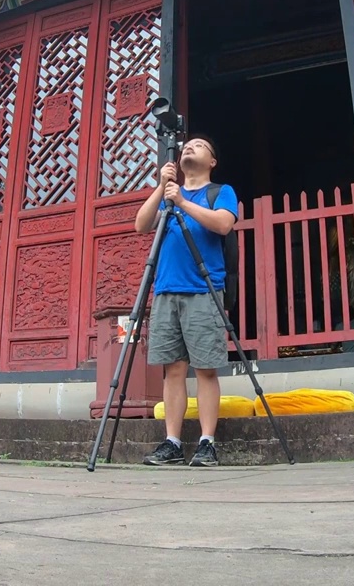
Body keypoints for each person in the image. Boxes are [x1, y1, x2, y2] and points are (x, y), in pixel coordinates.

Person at [133, 135, 238, 467]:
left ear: (212, 161)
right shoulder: (167, 196)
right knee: (173, 371)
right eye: (186, 146)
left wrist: (182, 201)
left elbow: (223, 224)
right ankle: (173, 442)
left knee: (205, 369)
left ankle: (207, 442)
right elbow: (140, 226)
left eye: (199, 145)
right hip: (166, 290)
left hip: (203, 291)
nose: (189, 147)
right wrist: (163, 186)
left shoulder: (220, 192)